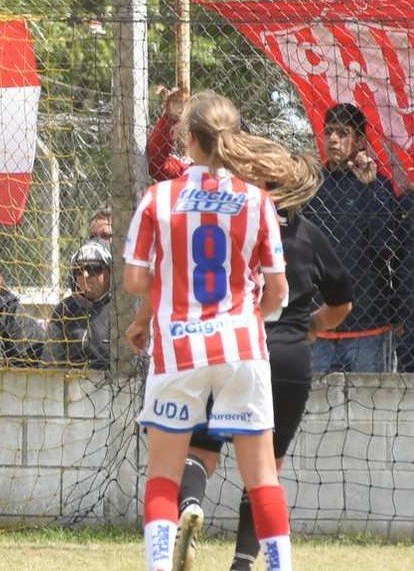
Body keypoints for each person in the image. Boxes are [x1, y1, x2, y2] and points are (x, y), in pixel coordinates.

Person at [122, 90, 316, 571]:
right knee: (263, 475)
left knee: (164, 476)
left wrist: (158, 302)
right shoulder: (257, 201)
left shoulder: (159, 198)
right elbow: (277, 289)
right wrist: (250, 315)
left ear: (190, 140)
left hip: (178, 350)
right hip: (242, 349)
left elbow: (134, 279)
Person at [169, 165, 351, 571]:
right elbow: (342, 302)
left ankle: (192, 504)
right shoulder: (310, 235)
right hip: (287, 358)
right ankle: (243, 563)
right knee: (266, 471)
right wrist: (311, 327)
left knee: (201, 450)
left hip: (231, 346)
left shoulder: (232, 225)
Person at [303, 102, 410, 375]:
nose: (334, 139)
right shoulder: (311, 186)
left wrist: (371, 187)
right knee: (315, 412)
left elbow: (388, 245)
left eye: (342, 132)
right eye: (328, 133)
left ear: (360, 139)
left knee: (372, 413)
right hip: (320, 322)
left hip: (368, 324)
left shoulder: (378, 185)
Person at [43, 241, 115, 369]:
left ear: (109, 272)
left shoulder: (119, 308)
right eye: (79, 270)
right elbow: (50, 361)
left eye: (93, 268)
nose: (85, 275)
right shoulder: (65, 309)